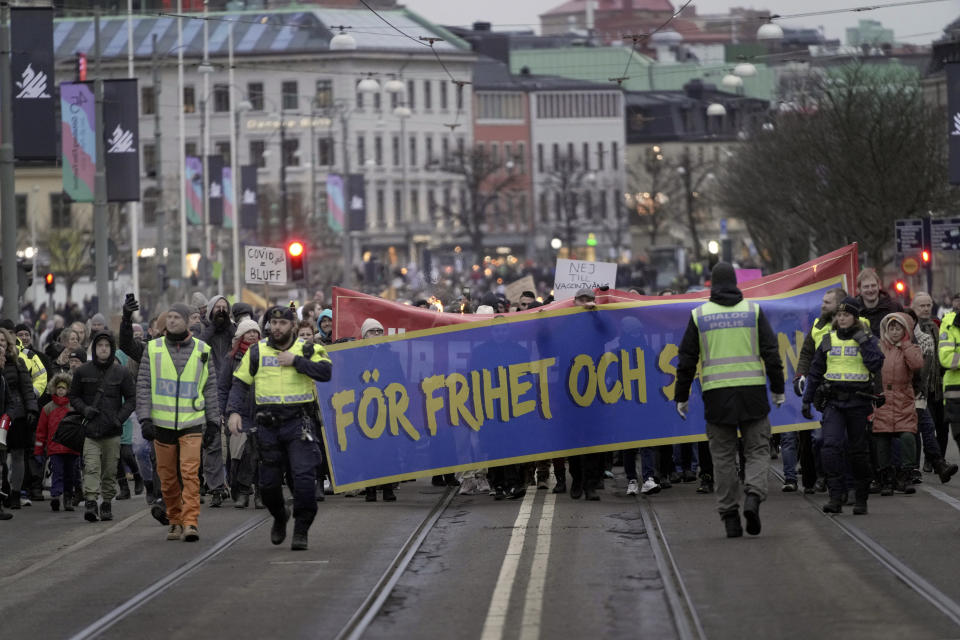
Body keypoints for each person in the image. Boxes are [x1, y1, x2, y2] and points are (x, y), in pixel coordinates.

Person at [674, 263, 785, 538]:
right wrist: (778, 389)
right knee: (757, 451)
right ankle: (753, 497)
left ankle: (730, 517)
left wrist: (681, 396)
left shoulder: (700, 315)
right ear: (736, 283)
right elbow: (771, 353)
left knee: (722, 457)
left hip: (717, 396)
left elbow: (686, 360)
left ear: (711, 284)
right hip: (753, 395)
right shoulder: (753, 311)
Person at [227, 305, 331, 551]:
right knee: (268, 485)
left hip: (299, 424)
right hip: (268, 426)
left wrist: (297, 362)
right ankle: (280, 515)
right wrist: (233, 412)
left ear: (293, 326)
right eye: (273, 324)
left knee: (305, 479)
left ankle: (301, 528)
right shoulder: (256, 352)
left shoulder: (309, 348)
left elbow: (326, 372)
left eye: (282, 323)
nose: (276, 328)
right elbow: (239, 385)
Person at [137, 304, 220, 542]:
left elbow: (210, 388)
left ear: (186, 321)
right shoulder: (153, 349)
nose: (171, 321)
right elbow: (143, 386)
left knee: (190, 473)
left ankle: (191, 522)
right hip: (161, 425)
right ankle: (174, 520)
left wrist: (213, 422)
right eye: (168, 318)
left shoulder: (203, 350)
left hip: (192, 422)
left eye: (175, 318)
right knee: (168, 478)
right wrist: (145, 418)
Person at [803, 297, 885, 515]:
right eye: (839, 315)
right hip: (834, 402)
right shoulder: (828, 339)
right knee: (829, 447)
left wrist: (864, 342)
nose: (841, 318)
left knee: (858, 453)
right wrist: (807, 400)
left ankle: (860, 498)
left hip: (858, 402)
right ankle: (835, 497)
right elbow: (815, 371)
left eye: (846, 315)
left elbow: (876, 364)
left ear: (854, 317)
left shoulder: (866, 337)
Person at [69, 330, 136, 523]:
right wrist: (85, 409)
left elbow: (131, 399)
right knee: (90, 467)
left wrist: (119, 418)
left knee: (109, 470)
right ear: (94, 348)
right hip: (90, 430)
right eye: (100, 346)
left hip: (112, 431)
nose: (103, 349)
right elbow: (74, 396)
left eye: (107, 346)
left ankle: (106, 502)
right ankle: (91, 502)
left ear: (111, 348)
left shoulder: (121, 372)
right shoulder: (83, 371)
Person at [872, 313, 923, 495]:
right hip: (883, 398)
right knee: (882, 438)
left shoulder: (911, 347)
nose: (894, 332)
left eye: (898, 328)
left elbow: (917, 364)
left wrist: (906, 345)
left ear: (905, 330)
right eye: (891, 328)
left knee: (908, 436)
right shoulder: (879, 347)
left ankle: (906, 474)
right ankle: (885, 477)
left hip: (903, 398)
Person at [218, 318, 262, 509]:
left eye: (255, 332)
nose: (252, 335)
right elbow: (223, 387)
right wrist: (223, 412)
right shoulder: (231, 359)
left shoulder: (267, 356)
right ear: (240, 336)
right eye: (248, 332)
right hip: (238, 414)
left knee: (261, 454)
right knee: (241, 453)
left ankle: (260, 493)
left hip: (262, 413)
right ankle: (242, 491)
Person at [199, 295, 234, 508]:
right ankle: (216, 487)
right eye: (217, 308)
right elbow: (199, 348)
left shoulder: (233, 331)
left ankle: (235, 482)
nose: (221, 311)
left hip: (232, 391)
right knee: (212, 443)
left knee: (233, 441)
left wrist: (229, 326)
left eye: (224, 308)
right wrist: (212, 327)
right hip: (209, 393)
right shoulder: (205, 333)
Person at [0, 327, 38, 509]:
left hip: (18, 414)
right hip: (2, 414)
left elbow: (27, 388)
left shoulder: (17, 363)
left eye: (2, 341)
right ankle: (4, 489)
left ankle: (15, 493)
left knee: (18, 455)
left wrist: (31, 410)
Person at [34, 373, 80, 512]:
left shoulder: (73, 407)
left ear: (68, 390)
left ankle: (67, 499)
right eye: (58, 388)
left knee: (70, 475)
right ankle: (55, 496)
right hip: (55, 449)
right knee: (57, 473)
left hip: (71, 449)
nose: (61, 390)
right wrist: (38, 451)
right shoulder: (48, 408)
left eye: (63, 388)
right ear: (54, 389)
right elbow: (41, 431)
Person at [856, 268, 902, 338]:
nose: (870, 290)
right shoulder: (853, 311)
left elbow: (907, 335)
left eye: (873, 285)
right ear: (859, 290)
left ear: (879, 286)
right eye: (866, 287)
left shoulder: (894, 308)